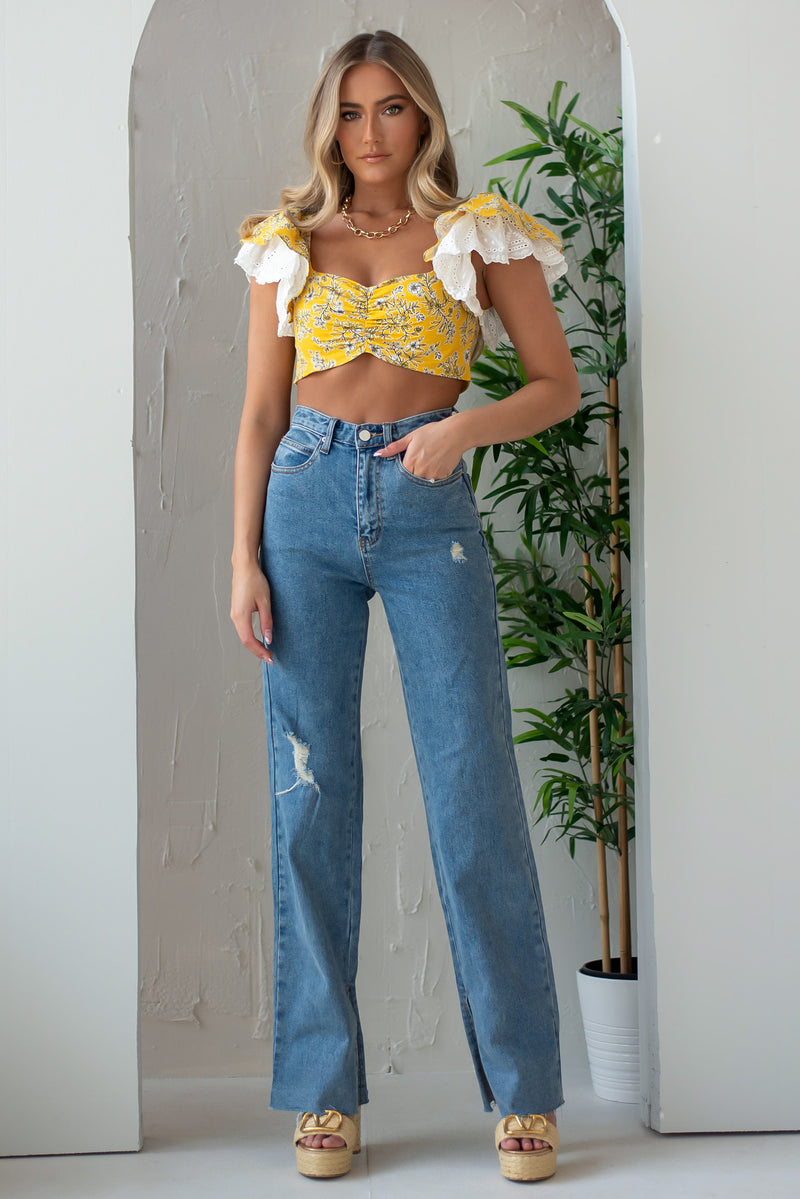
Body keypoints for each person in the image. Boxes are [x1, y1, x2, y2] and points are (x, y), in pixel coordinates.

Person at [230, 29, 580, 1184]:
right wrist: (241, 559)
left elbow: (553, 383)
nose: (369, 131)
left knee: (471, 793)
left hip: (431, 514)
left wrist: (461, 428)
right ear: (327, 125)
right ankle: (324, 1094)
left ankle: (523, 1094)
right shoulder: (288, 244)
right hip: (302, 509)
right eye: (349, 111)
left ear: (422, 116)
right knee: (310, 799)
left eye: (389, 107)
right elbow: (259, 416)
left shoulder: (476, 234)